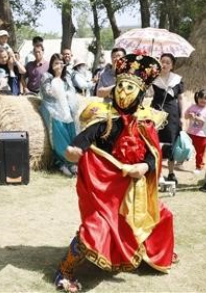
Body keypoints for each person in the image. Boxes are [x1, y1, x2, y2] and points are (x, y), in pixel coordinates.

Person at [54, 54, 174, 293]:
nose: (123, 91)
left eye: (130, 87)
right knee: (96, 228)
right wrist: (73, 151)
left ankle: (146, 255)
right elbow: (83, 140)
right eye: (121, 85)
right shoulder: (103, 117)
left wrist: (143, 167)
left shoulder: (147, 122)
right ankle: (64, 270)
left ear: (140, 93)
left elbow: (153, 157)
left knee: (161, 215)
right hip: (107, 189)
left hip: (135, 188)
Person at [40, 54, 79, 176]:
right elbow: (47, 92)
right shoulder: (47, 76)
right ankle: (62, 163)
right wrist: (56, 78)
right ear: (51, 65)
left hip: (67, 111)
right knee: (59, 137)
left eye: (61, 63)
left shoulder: (66, 78)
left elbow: (72, 92)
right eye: (56, 63)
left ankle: (72, 163)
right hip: (54, 110)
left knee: (71, 135)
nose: (59, 66)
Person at [151, 53, 184, 183]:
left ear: (172, 65)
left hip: (172, 114)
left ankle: (171, 173)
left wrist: (182, 117)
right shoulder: (153, 78)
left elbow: (180, 98)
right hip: (156, 113)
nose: (164, 64)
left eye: (167, 62)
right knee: (156, 142)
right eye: (162, 61)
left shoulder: (177, 79)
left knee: (171, 142)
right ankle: (157, 174)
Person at [185, 89, 206, 174]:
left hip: (202, 135)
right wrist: (189, 115)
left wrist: (200, 119)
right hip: (190, 132)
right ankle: (182, 160)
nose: (203, 100)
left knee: (200, 152)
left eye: (205, 98)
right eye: (201, 98)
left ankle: (199, 167)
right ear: (197, 97)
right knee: (186, 147)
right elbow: (185, 116)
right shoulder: (193, 107)